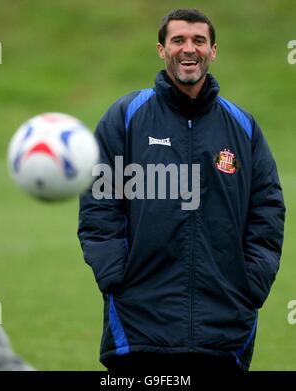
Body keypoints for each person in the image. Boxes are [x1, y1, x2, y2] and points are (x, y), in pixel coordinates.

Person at [78, 8, 285, 372]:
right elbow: (99, 200)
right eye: (178, 40)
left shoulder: (243, 126)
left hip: (224, 323)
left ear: (213, 50)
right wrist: (114, 276)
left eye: (198, 41)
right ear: (161, 49)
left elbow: (267, 208)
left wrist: (252, 283)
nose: (189, 49)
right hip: (140, 320)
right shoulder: (127, 116)